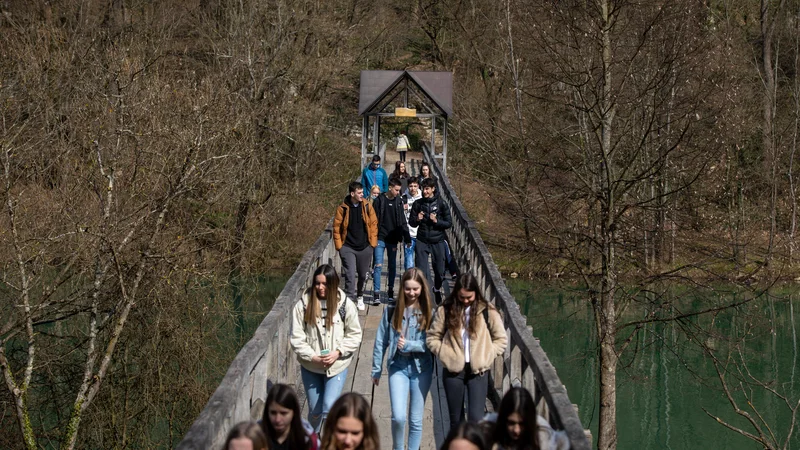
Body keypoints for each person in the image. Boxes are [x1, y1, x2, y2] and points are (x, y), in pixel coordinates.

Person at [427, 273, 508, 430]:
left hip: (478, 372)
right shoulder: (446, 309)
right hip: (453, 372)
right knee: (456, 422)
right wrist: (444, 353)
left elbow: (501, 339)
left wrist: (488, 354)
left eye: (469, 297)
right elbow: (432, 338)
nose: (465, 301)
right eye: (462, 297)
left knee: (476, 420)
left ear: (476, 293)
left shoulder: (488, 311)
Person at [290, 265, 363, 433]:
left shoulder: (345, 305)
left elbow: (354, 335)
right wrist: (313, 357)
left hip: (337, 366)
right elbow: (296, 338)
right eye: (317, 283)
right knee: (315, 411)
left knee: (329, 407)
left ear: (333, 284)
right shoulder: (303, 305)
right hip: (311, 366)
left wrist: (338, 352)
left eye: (325, 284)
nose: (320, 288)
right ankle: (313, 439)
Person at [371, 268, 434, 450]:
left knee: (415, 420)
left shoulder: (430, 311)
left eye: (416, 289)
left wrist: (409, 345)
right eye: (408, 289)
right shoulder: (392, 309)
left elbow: (432, 342)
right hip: (397, 366)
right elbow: (381, 340)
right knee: (398, 417)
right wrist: (376, 369)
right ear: (402, 288)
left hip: (421, 368)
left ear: (422, 288)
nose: (412, 293)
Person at [333, 181, 378, 310]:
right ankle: (349, 302)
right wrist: (339, 246)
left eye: (362, 192)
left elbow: (374, 224)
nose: (362, 195)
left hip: (365, 247)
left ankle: (359, 296)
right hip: (347, 247)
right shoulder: (342, 208)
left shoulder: (367, 206)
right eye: (359, 193)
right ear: (352, 193)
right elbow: (336, 228)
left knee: (363, 275)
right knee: (350, 275)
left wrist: (372, 244)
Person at [408, 177, 452, 304]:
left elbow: (449, 223)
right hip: (422, 240)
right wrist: (417, 218)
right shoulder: (418, 204)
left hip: (437, 240)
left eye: (427, 189)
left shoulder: (441, 204)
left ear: (433, 189)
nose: (424, 191)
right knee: (421, 270)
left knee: (440, 271)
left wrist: (436, 221)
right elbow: (412, 223)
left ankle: (437, 288)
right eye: (423, 189)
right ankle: (425, 297)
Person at [484, 387, 569, 450]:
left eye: (522, 424)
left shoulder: (542, 434)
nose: (516, 430)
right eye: (511, 423)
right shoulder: (489, 426)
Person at [372, 178, 411, 303]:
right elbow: (372, 220)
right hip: (380, 237)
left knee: (392, 265)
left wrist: (407, 237)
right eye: (396, 190)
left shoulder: (399, 201)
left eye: (399, 190)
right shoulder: (379, 200)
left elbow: (403, 221)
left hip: (393, 238)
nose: (398, 193)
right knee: (378, 265)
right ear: (390, 188)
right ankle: (376, 293)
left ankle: (390, 290)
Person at [261, 384, 320, 450]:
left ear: (294, 412)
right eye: (273, 413)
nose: (277, 419)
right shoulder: (254, 437)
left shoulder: (309, 441)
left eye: (283, 413)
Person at [403, 177, 422, 270]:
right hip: (408, 234)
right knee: (409, 261)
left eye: (415, 186)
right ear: (407, 186)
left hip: (420, 234)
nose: (413, 188)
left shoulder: (422, 198)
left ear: (418, 186)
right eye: (411, 186)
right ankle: (408, 281)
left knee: (420, 261)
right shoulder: (404, 198)